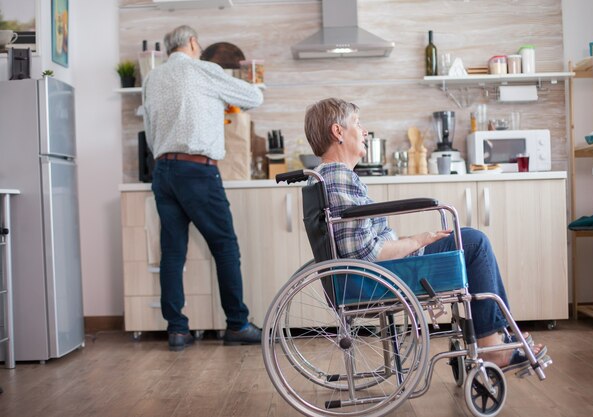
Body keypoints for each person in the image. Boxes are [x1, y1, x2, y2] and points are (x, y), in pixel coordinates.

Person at [303, 97, 547, 371]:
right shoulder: (339, 177)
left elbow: (362, 246)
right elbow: (367, 253)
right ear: (338, 132)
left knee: (465, 239)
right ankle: (492, 346)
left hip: (371, 274)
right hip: (377, 278)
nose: (364, 131)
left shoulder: (327, 176)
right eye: (358, 124)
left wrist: (411, 240)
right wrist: (418, 240)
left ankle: (495, 338)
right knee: (474, 243)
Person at [142, 25, 264, 351]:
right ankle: (237, 324)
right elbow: (254, 97)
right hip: (196, 170)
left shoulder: (152, 79)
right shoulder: (202, 70)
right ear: (193, 43)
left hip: (163, 170)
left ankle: (177, 330)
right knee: (225, 246)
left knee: (173, 251)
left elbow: (151, 133)